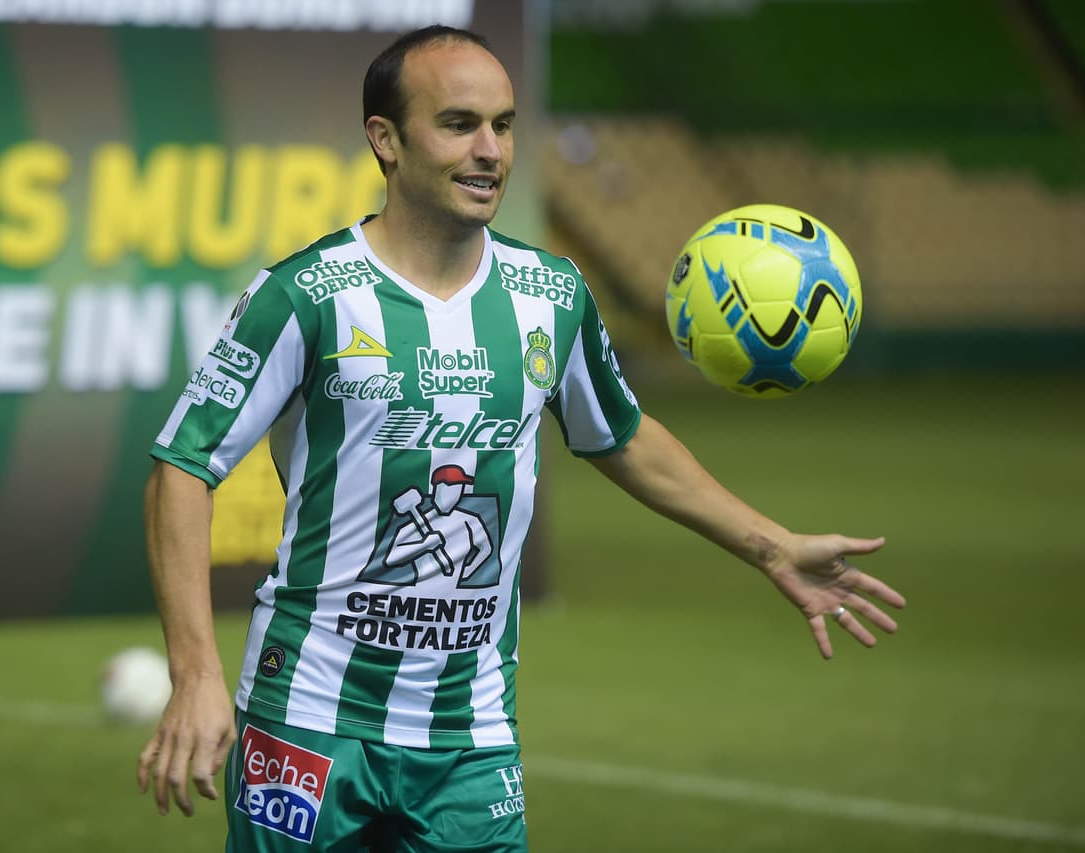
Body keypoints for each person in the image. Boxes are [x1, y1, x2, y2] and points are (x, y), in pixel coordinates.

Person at [137, 24, 906, 852]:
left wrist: (772, 545)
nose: (490, 150)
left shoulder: (550, 293)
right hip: (310, 720)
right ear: (385, 141)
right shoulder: (306, 294)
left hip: (471, 733)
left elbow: (622, 436)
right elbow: (181, 465)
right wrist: (197, 676)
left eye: (503, 125)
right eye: (460, 124)